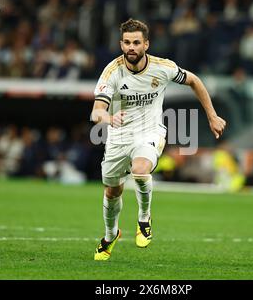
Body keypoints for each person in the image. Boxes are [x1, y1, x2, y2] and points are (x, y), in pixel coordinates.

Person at [90, 19, 226, 260]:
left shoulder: (162, 67)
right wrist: (108, 118)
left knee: (140, 170)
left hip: (149, 132)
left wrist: (212, 116)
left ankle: (144, 219)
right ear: (121, 44)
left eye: (136, 42)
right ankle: (110, 235)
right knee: (112, 191)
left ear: (146, 44)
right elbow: (97, 110)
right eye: (127, 42)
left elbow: (194, 81)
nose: (131, 47)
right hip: (118, 137)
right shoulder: (112, 71)